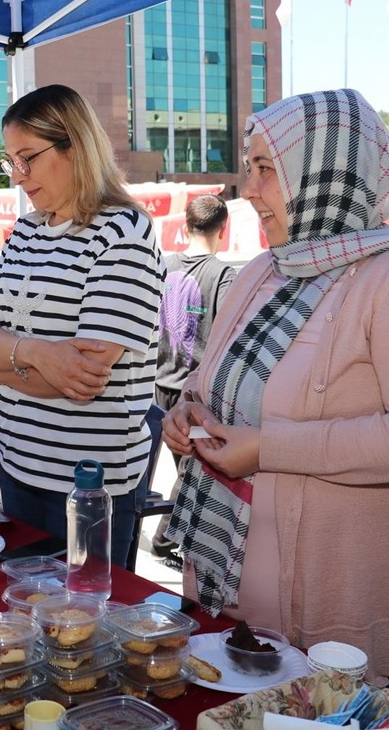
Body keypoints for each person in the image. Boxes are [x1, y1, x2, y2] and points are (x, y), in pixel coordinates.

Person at [162, 89, 389, 690]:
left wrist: (267, 449)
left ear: (325, 174)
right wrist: (185, 411)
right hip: (225, 582)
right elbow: (213, 381)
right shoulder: (265, 269)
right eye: (249, 169)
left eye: (266, 171)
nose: (249, 191)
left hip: (339, 608)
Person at [0, 84, 163, 564]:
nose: (18, 176)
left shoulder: (124, 233)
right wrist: (39, 354)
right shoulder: (28, 231)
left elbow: (83, 378)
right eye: (11, 161)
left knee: (81, 624)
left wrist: (4, 361)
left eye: (27, 159)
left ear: (74, 145)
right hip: (16, 468)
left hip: (89, 485)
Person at [150, 194, 236, 563]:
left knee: (183, 470)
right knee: (191, 472)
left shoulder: (163, 266)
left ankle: (167, 539)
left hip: (156, 385)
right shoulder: (224, 276)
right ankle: (164, 540)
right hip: (192, 393)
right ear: (223, 230)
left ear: (185, 225)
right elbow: (229, 337)